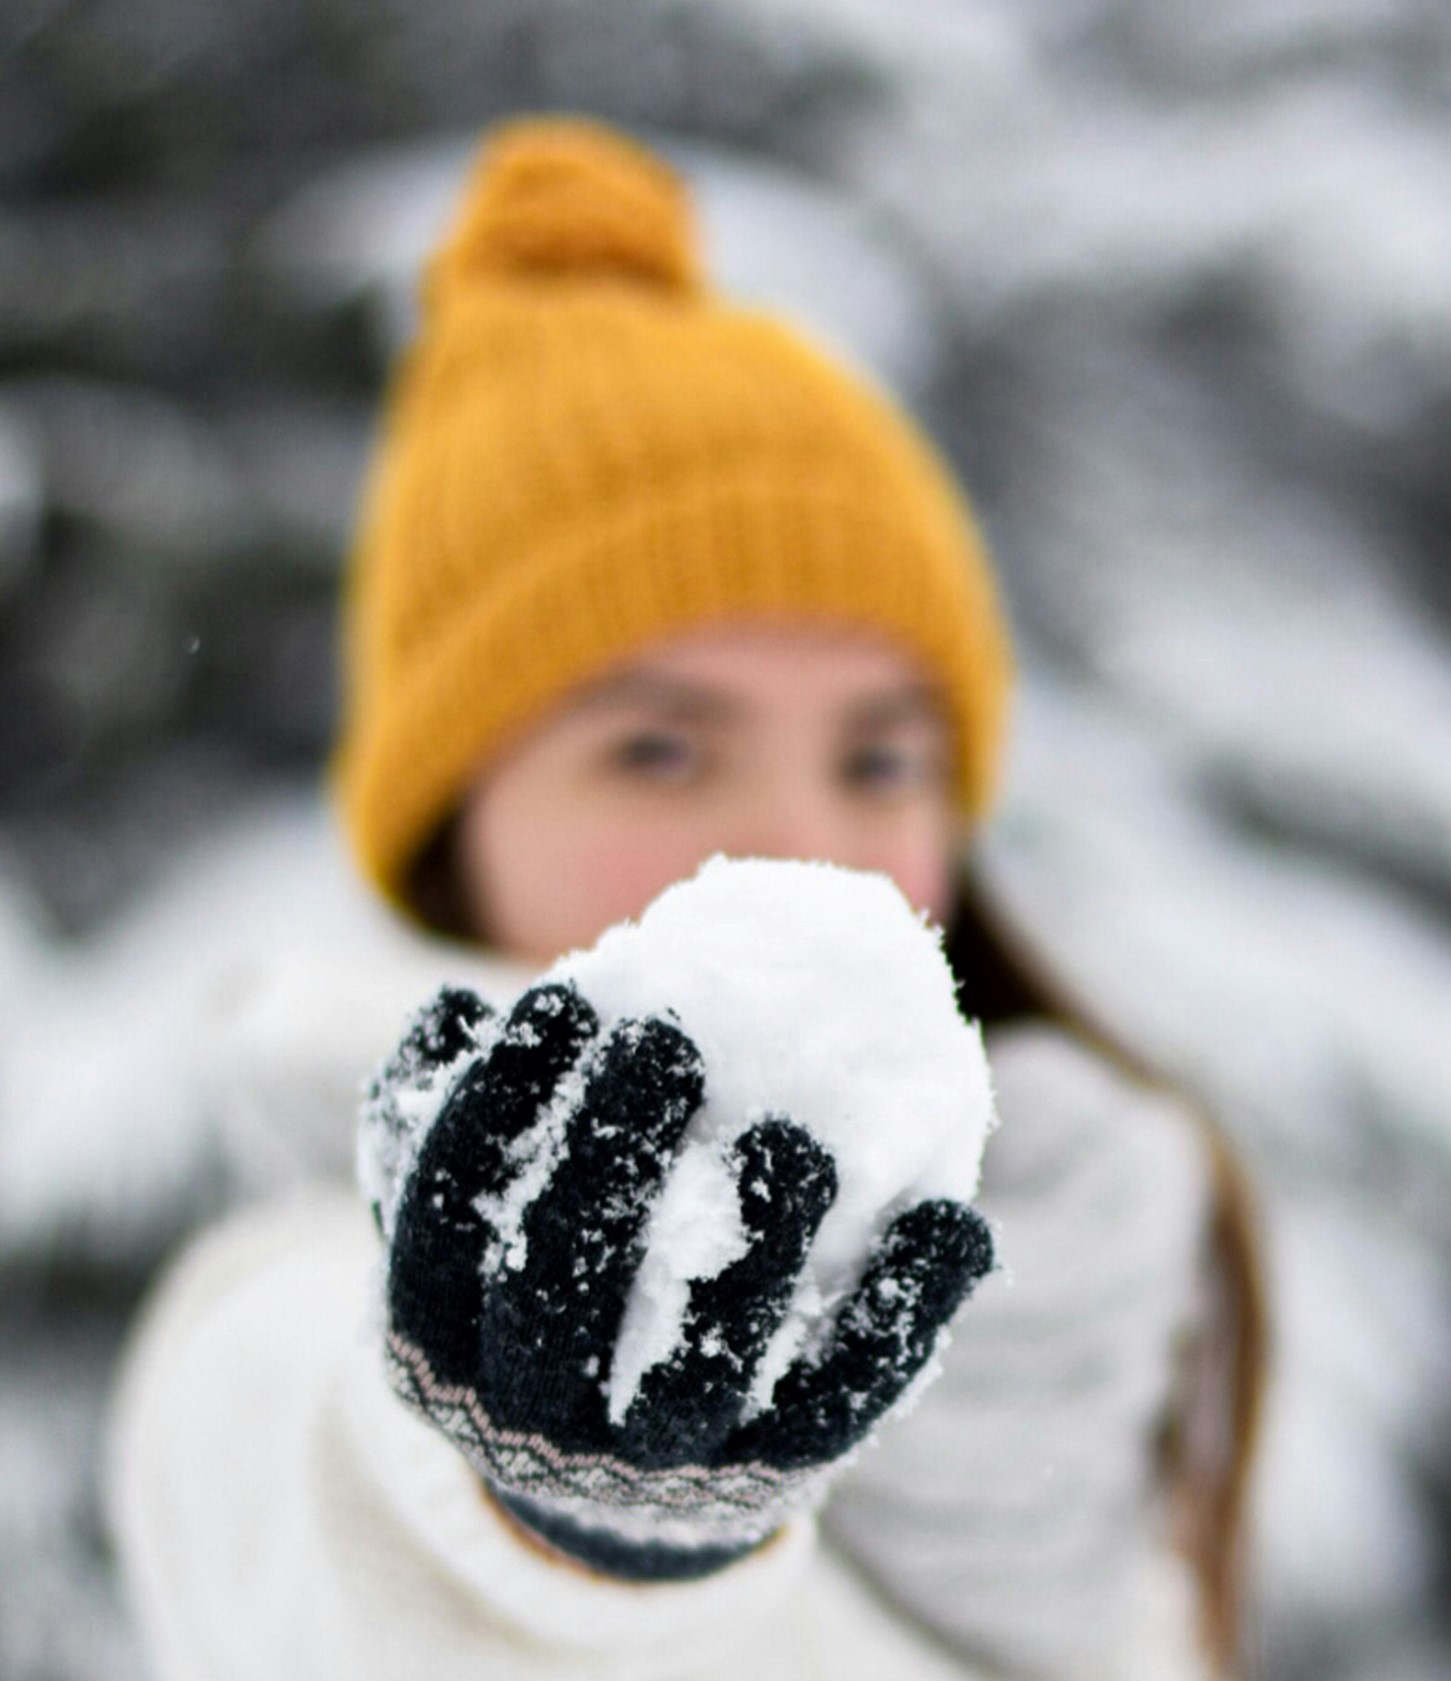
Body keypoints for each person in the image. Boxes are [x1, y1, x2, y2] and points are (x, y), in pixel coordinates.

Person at [104, 117, 1265, 1681]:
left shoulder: (1092, 1251)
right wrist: (568, 1525)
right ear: (456, 825)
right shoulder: (287, 1323)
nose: (801, 842)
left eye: (880, 757)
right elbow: (356, 1557)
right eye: (659, 748)